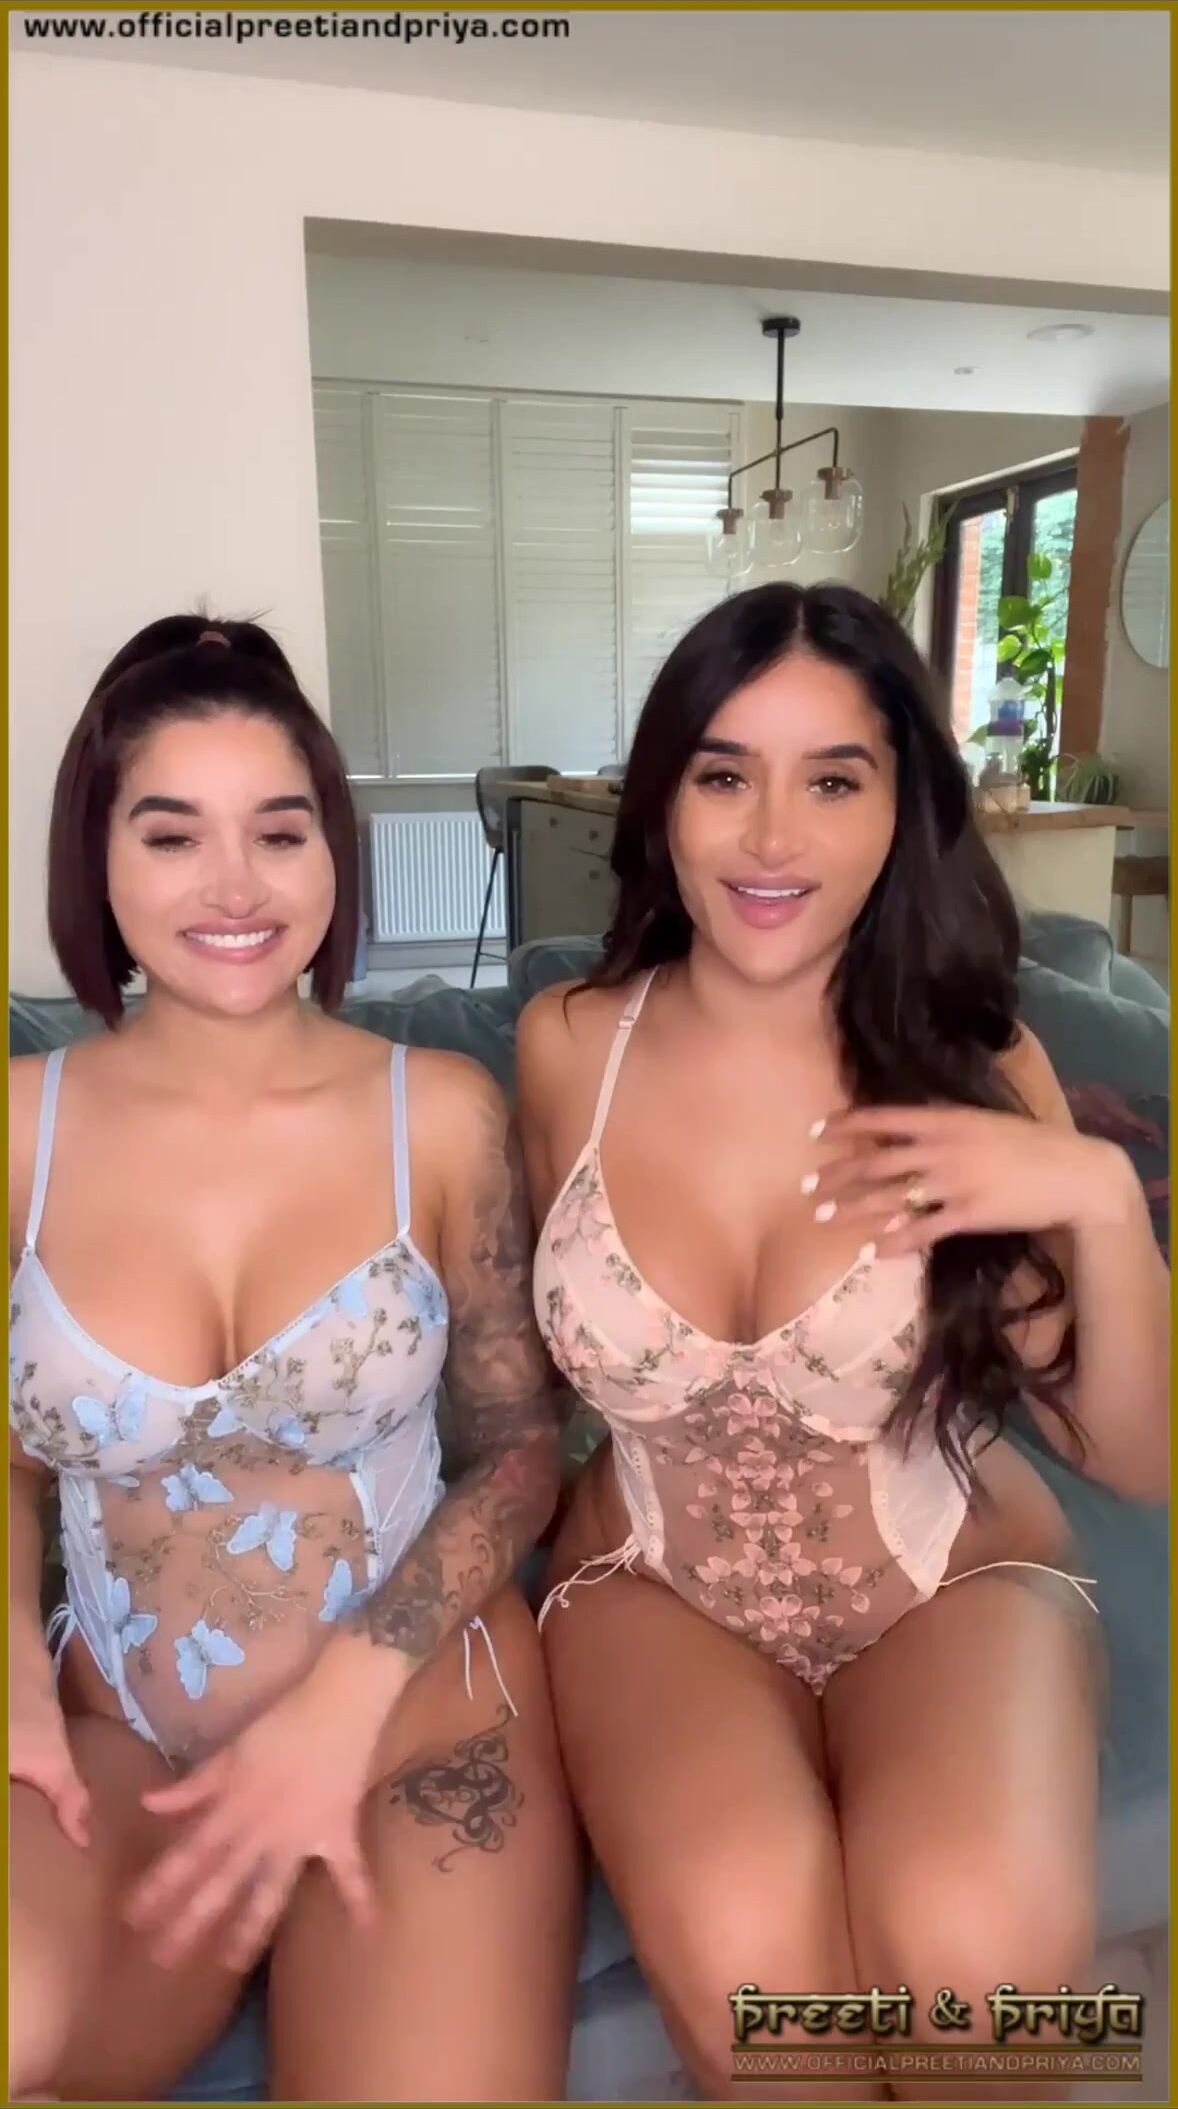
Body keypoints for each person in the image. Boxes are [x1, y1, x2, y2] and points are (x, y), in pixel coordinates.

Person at [517, 583, 1168, 2102]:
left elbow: (1136, 1457)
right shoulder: (568, 1044)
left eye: (832, 779)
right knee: (770, 2007)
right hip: (651, 1584)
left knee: (981, 1989)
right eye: (723, 773)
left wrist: (1092, 1197)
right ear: (662, 798)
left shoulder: (974, 1060)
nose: (769, 838)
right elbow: (522, 1381)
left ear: (900, 810)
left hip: (949, 1574)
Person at [9, 616, 578, 2104]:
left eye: (280, 830)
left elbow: (524, 1453)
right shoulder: (17, 1130)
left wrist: (338, 1708)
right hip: (120, 1737)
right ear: (97, 856)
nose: (237, 885)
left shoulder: (437, 1111)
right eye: (172, 834)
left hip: (411, 1711)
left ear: (333, 848)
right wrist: (12, 1675)